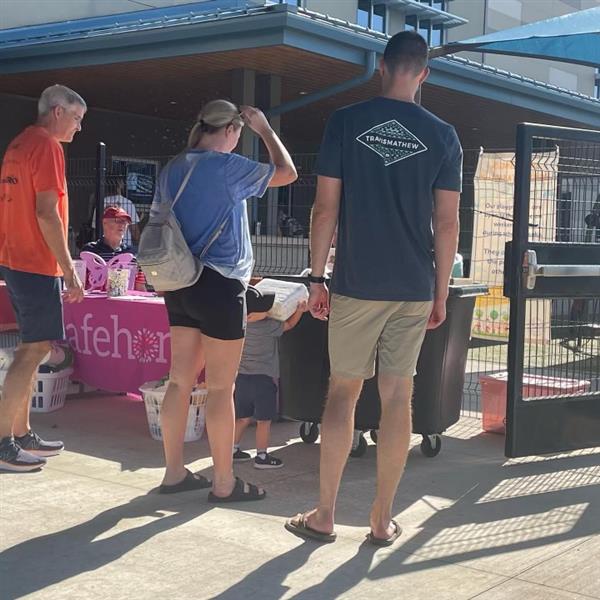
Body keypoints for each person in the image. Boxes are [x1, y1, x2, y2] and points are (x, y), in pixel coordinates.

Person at [285, 31, 462, 544]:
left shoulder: (345, 122)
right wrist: (441, 291)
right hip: (412, 286)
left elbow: (324, 209)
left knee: (343, 391)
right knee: (398, 396)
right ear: (424, 73)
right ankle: (382, 520)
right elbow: (447, 223)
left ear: (381, 67)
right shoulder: (443, 134)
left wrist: (317, 277)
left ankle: (324, 515)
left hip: (357, 284)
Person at [155, 100, 297, 500]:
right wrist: (266, 131)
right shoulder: (226, 167)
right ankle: (223, 483)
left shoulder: (174, 168)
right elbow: (287, 172)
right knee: (221, 389)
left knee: (179, 382)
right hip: (221, 285)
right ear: (232, 131)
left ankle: (173, 473)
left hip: (180, 282)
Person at [0, 84, 86, 472]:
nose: (78, 127)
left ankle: (20, 433)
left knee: (32, 348)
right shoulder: (48, 146)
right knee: (32, 350)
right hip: (34, 262)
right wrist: (69, 271)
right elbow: (47, 214)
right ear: (57, 112)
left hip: (15, 258)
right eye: (76, 118)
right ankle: (5, 441)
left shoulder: (19, 144)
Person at [233, 292, 306, 469]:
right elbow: (289, 325)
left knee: (242, 417)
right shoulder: (268, 326)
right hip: (263, 380)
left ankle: (231, 449)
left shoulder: (239, 325)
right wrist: (300, 311)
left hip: (242, 379)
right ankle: (262, 456)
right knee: (264, 421)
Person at [92, 178, 141, 248]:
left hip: (103, 246)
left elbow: (95, 229)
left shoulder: (101, 204)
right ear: (120, 185)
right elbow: (134, 231)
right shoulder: (128, 203)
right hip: (125, 247)